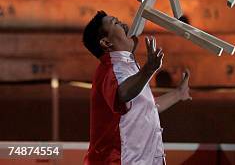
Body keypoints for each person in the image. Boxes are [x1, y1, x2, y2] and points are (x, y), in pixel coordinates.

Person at [82, 10, 191, 164]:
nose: (125, 25)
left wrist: (179, 93)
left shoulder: (127, 65)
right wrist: (148, 70)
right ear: (106, 43)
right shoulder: (109, 69)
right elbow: (123, 93)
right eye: (116, 23)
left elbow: (147, 107)